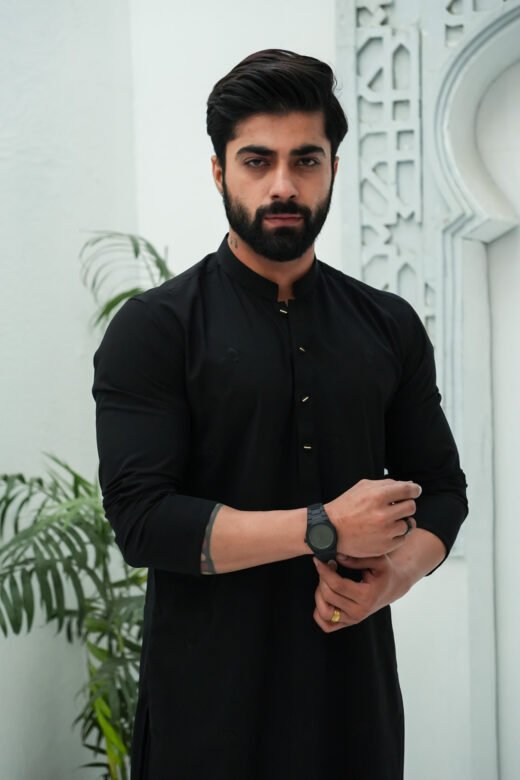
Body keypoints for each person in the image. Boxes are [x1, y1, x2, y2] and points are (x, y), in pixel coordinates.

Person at [92, 49, 468, 780]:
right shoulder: (157, 328)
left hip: (353, 706)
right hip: (207, 714)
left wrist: (394, 575)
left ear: (333, 168)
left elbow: (443, 491)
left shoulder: (388, 324)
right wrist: (323, 526)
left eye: (306, 160)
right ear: (219, 171)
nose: (284, 185)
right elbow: (143, 522)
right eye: (257, 161)